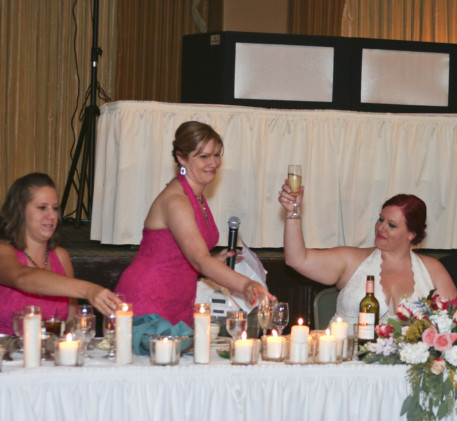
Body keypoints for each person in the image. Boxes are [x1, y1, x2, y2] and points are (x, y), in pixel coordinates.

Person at [115, 121, 272, 326]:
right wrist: (247, 284)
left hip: (177, 298)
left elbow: (181, 257)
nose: (213, 163)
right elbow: (199, 260)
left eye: (216, 155)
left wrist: (214, 261)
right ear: (181, 158)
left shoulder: (196, 195)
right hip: (148, 298)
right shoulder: (176, 200)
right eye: (204, 156)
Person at [279, 185, 457, 326]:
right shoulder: (350, 260)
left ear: (411, 234)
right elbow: (296, 259)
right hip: (349, 362)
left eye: (392, 225)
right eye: (381, 219)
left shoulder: (433, 270)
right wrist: (292, 211)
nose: (381, 228)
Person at [0, 173, 119, 334]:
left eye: (55, 208)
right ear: (20, 211)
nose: (52, 216)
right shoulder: (4, 251)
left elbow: (71, 319)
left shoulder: (61, 257)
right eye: (42, 208)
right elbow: (22, 278)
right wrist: (89, 290)